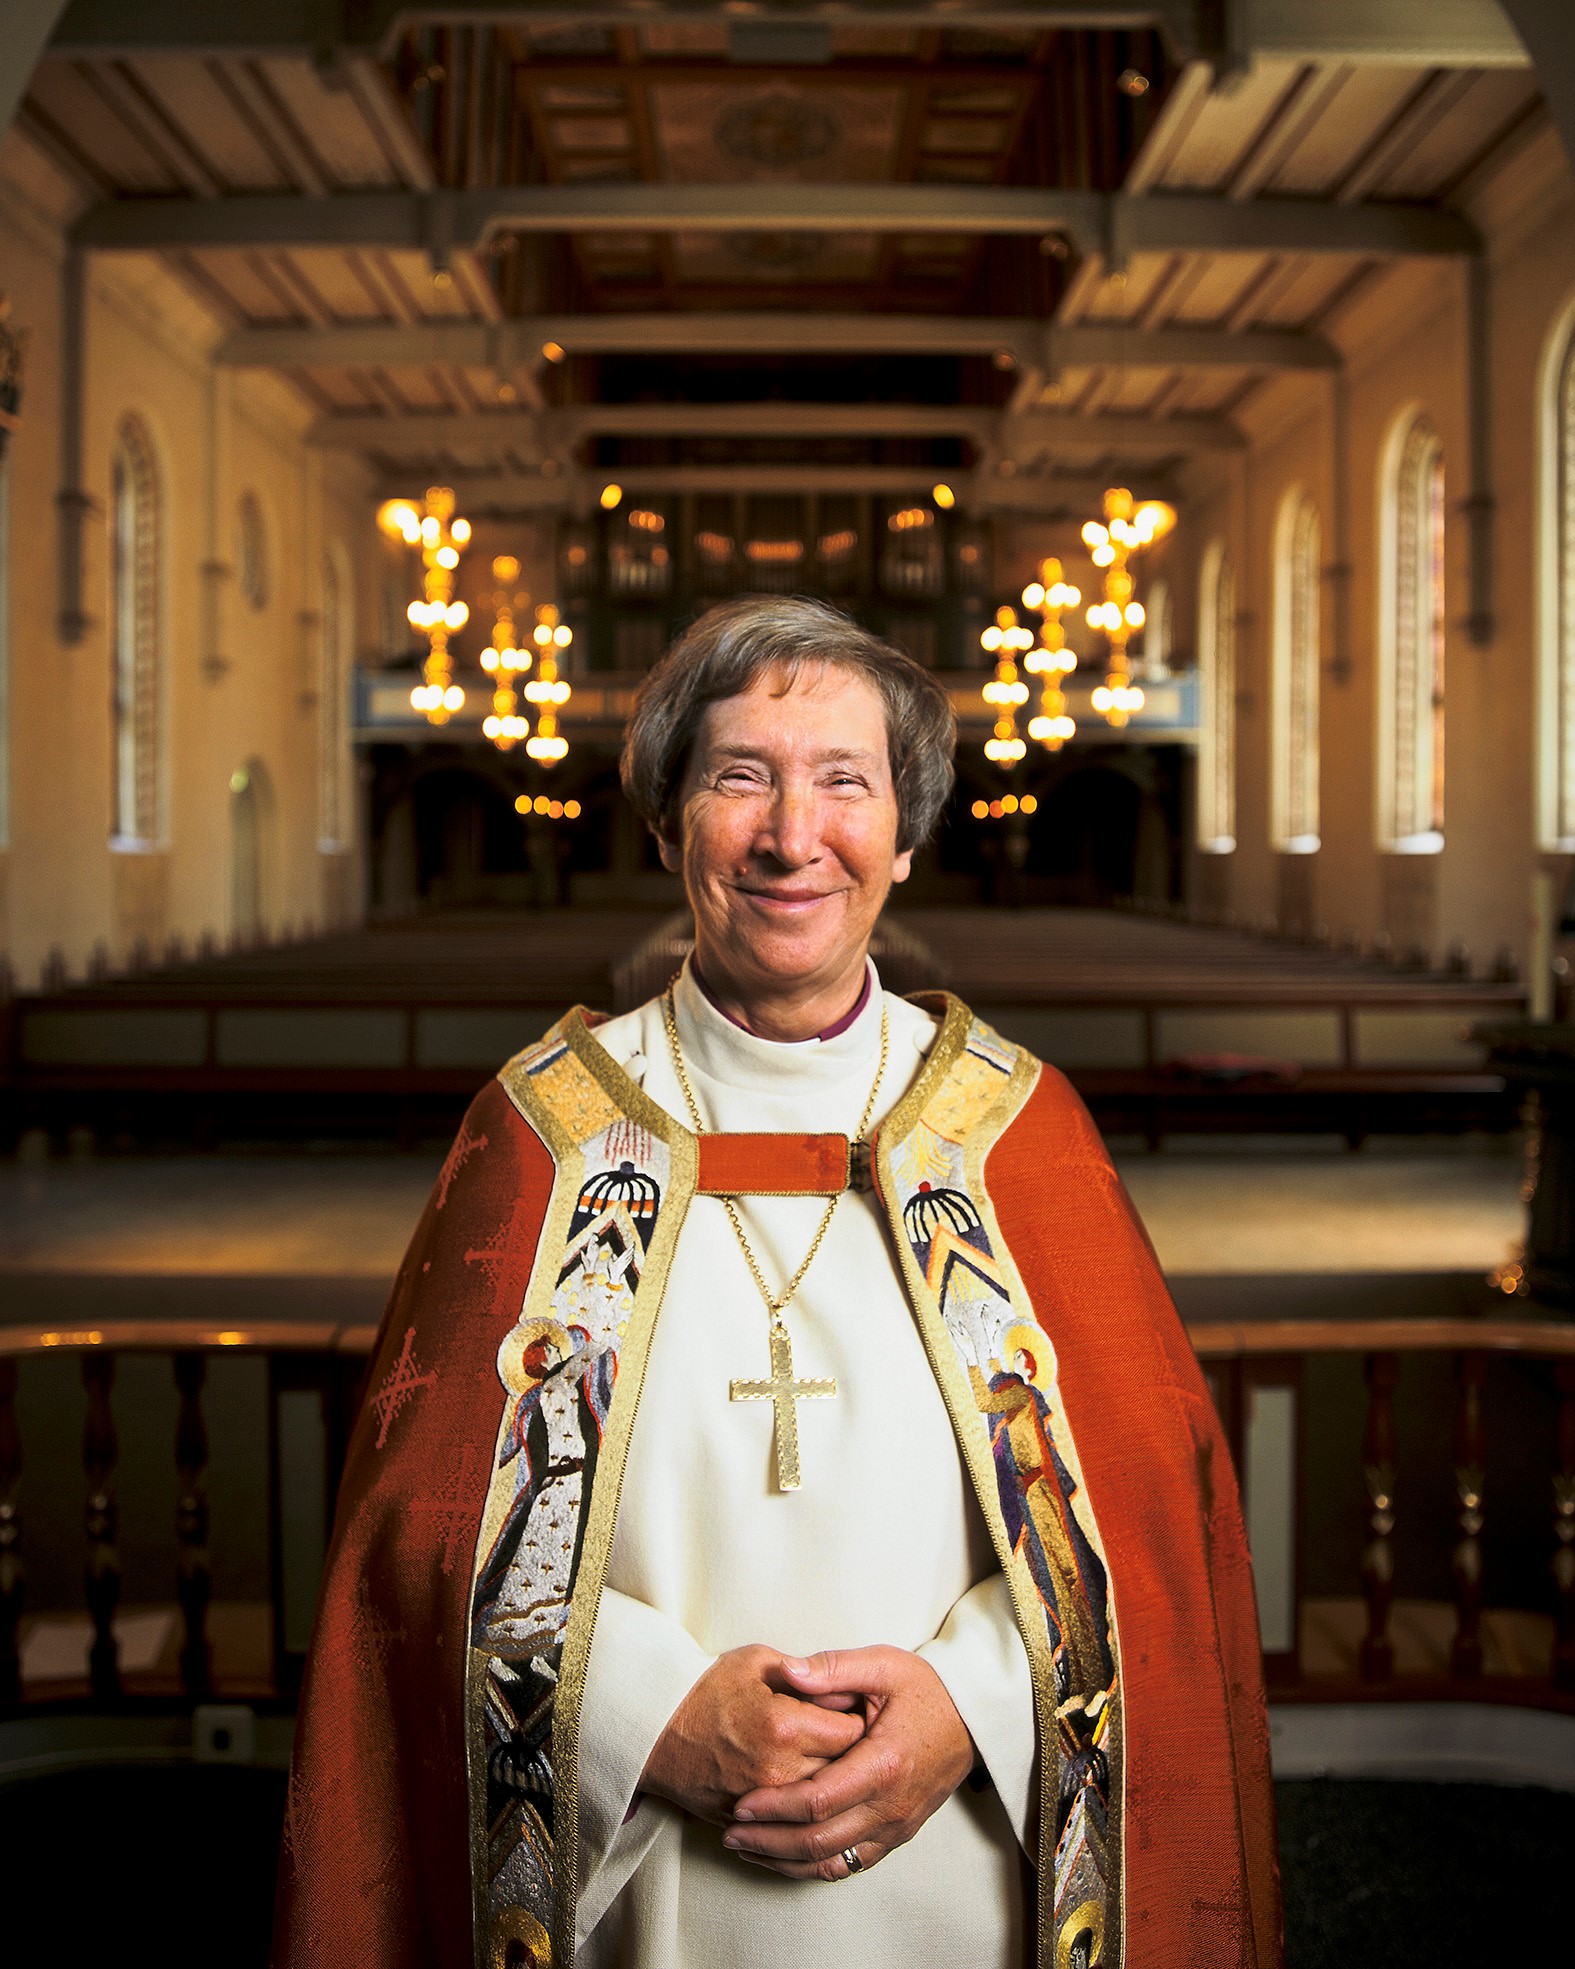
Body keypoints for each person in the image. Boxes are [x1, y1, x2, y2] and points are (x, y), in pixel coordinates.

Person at [273, 596, 1281, 1969]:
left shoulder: (1019, 1129)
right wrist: (637, 1713)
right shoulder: (544, 1130)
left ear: (909, 836)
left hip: (968, 1880)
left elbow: (1150, 1515)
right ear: (669, 821)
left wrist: (979, 1701)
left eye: (844, 782)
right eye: (741, 776)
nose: (793, 837)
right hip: (635, 1894)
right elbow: (418, 1532)